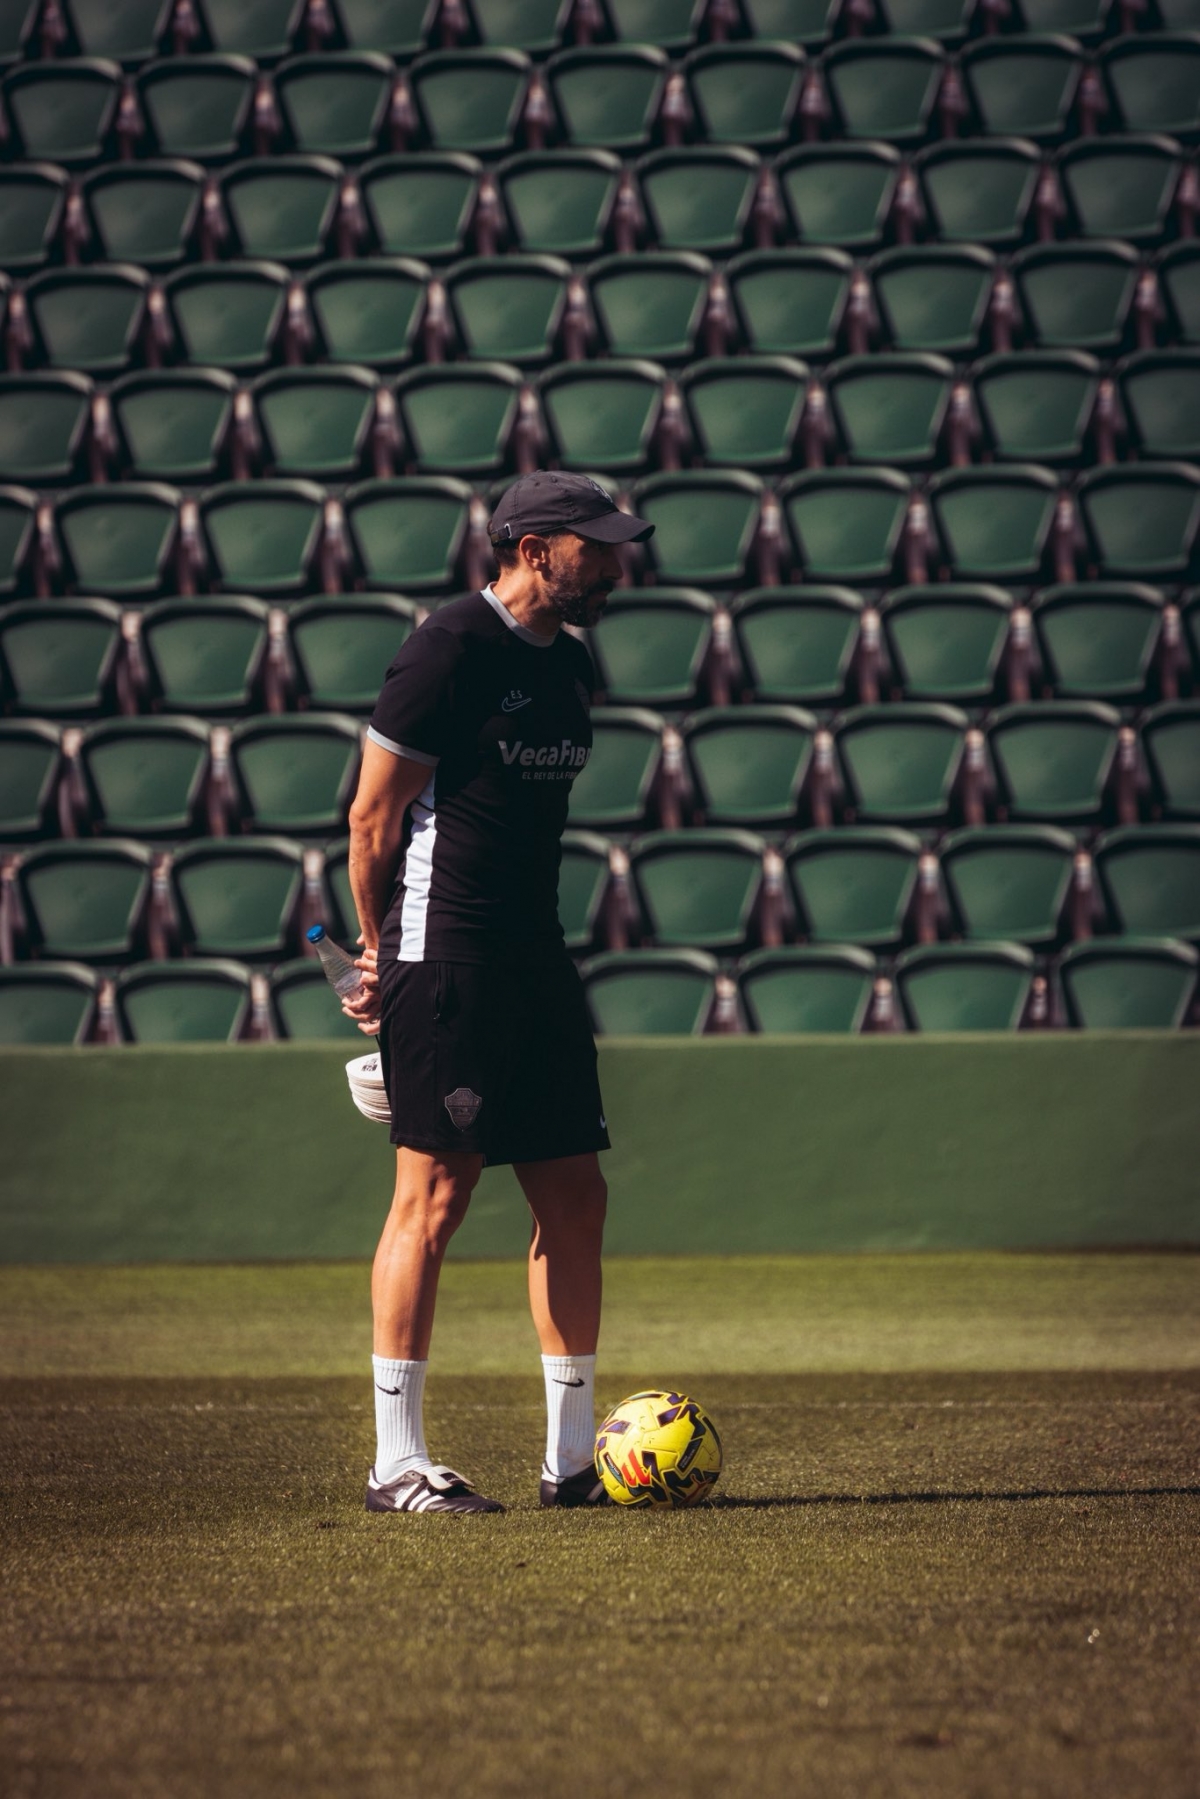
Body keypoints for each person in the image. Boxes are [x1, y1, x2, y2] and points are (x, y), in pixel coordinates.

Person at [341, 470, 655, 1514]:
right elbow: (373, 820)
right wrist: (384, 953)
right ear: (532, 550)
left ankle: (572, 1463)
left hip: (536, 958)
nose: (616, 564)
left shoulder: (570, 664)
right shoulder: (446, 648)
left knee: (577, 1194)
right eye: (597, 547)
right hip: (450, 957)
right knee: (433, 1198)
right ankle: (396, 1464)